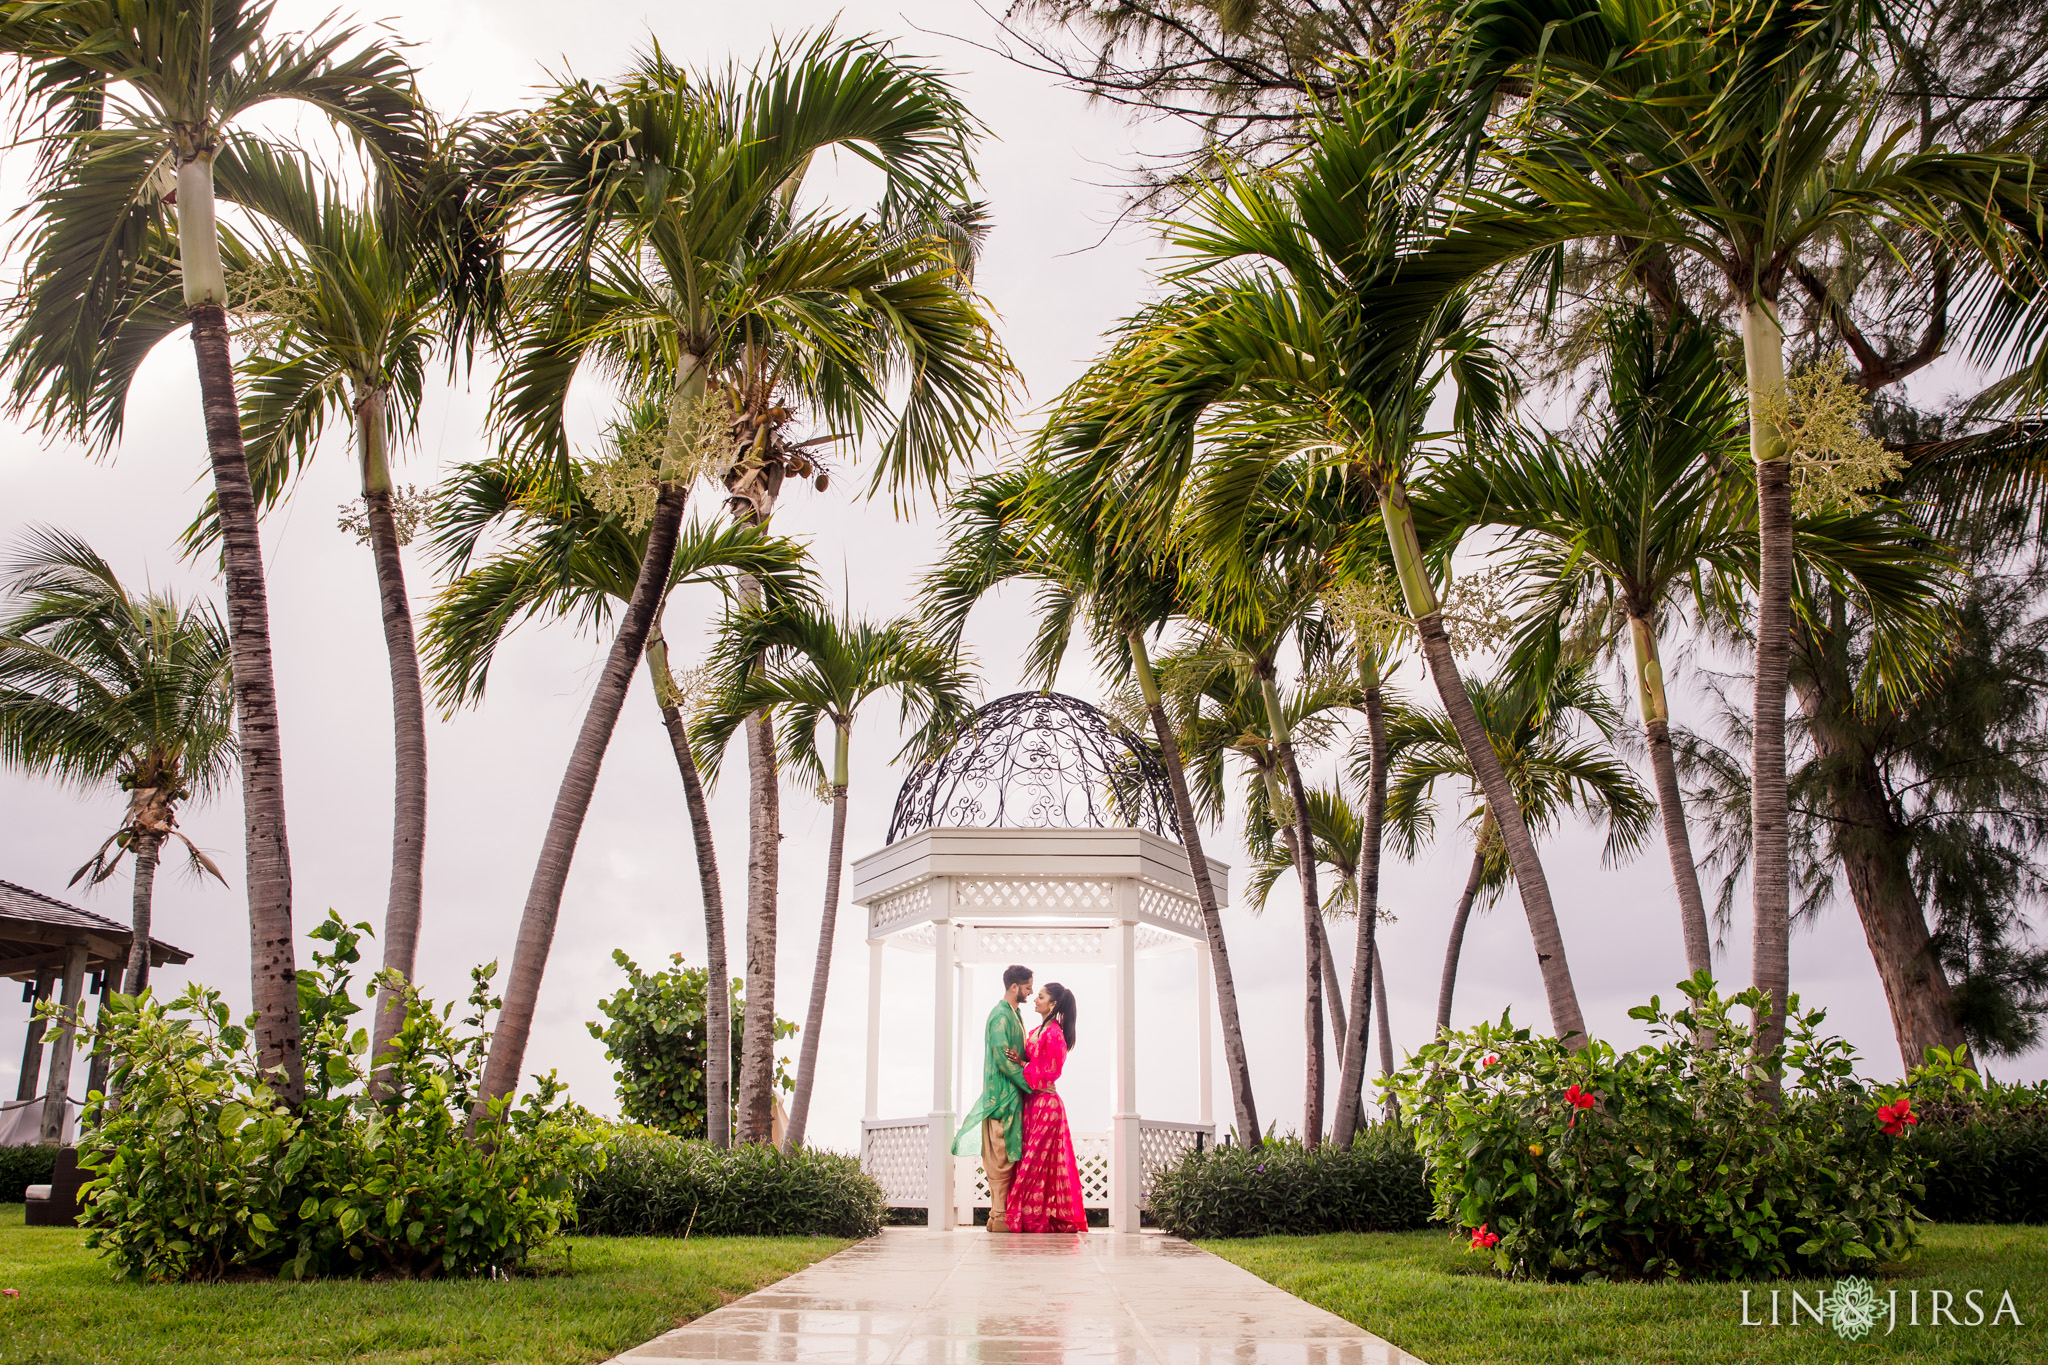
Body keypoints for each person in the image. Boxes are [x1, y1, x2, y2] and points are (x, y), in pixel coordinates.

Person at [952, 964, 1033, 1232]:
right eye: (1028, 986)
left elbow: (1017, 1057)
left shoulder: (1015, 1014)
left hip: (1012, 1095)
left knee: (1009, 1156)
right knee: (1000, 1157)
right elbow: (1002, 1059)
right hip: (1001, 1097)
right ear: (1014, 987)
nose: (1031, 992)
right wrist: (1033, 1085)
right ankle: (999, 1217)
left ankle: (999, 1216)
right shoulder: (1000, 1016)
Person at [1007, 982, 1087, 1234]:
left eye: (1040, 997)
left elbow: (1050, 1071)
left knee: (1037, 1164)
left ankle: (1029, 1217)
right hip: (1034, 1103)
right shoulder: (1037, 1030)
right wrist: (1023, 1062)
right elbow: (1035, 1064)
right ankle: (1029, 1215)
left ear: (1052, 1004)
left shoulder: (1054, 1034)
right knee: (1032, 1161)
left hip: (1046, 1106)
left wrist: (1023, 1068)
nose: (1035, 999)